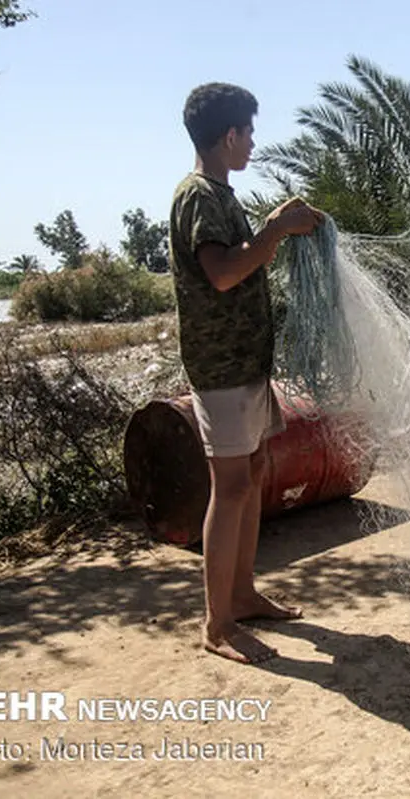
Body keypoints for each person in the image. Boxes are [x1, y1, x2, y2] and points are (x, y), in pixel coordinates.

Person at [169, 82, 324, 664]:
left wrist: (275, 224)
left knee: (254, 473)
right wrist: (276, 230)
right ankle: (217, 624)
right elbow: (224, 273)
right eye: (250, 132)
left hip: (246, 363)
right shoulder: (197, 197)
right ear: (230, 134)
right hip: (222, 369)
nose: (254, 143)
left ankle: (241, 594)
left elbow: (241, 255)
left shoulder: (220, 194)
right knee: (230, 486)